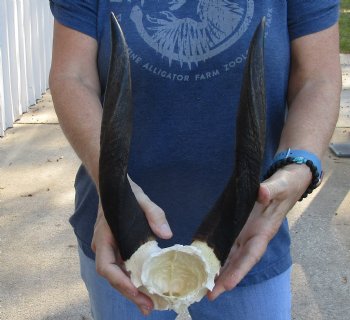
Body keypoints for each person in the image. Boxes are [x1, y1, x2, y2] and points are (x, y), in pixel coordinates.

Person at [49, 1, 341, 319]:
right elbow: (72, 76)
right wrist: (111, 187)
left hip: (248, 233)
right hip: (121, 235)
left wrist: (297, 166)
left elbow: (317, 79)